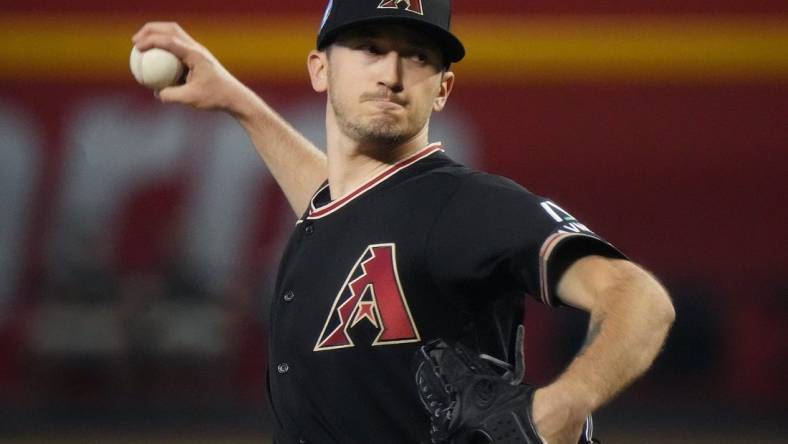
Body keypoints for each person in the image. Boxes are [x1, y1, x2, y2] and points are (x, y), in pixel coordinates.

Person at [132, 1, 675, 443]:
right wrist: (238, 102)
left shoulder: (464, 203)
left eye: (416, 56)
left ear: (443, 88)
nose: (391, 74)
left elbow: (641, 298)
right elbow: (346, 205)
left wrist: (567, 401)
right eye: (369, 48)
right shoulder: (342, 210)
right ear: (320, 71)